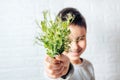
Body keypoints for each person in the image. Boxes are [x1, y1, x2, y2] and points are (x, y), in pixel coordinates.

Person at [44, 7, 95, 80]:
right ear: (56, 40)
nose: (75, 47)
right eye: (67, 40)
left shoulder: (89, 66)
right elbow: (59, 74)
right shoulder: (57, 69)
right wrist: (62, 71)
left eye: (80, 39)